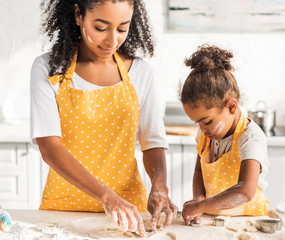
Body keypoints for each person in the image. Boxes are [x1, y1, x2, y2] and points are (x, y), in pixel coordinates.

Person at [30, 0, 177, 237]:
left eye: (122, 28)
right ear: (78, 15)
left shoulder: (140, 72)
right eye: (101, 28)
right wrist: (107, 197)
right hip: (64, 210)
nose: (112, 40)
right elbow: (50, 148)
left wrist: (160, 187)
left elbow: (152, 142)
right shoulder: (49, 68)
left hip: (128, 213)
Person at [179, 45, 269, 225]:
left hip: (247, 222)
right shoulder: (207, 135)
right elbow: (198, 171)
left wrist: (201, 206)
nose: (202, 129)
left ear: (231, 106)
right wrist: (198, 198)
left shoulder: (250, 137)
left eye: (206, 121)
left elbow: (245, 191)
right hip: (213, 220)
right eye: (197, 123)